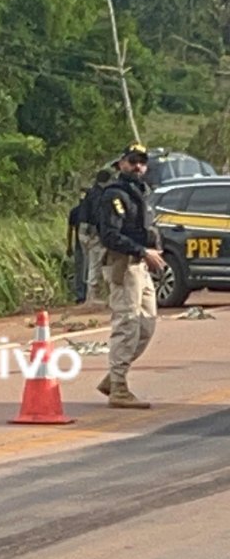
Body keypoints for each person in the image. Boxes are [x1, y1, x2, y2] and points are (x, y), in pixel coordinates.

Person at [95, 143, 165, 409]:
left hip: (141, 265)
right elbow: (110, 235)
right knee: (127, 324)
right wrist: (142, 250)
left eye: (142, 162)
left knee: (147, 325)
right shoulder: (115, 195)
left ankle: (113, 379)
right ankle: (119, 388)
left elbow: (148, 227)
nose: (138, 166)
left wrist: (154, 250)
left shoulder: (141, 193)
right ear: (121, 164)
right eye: (132, 161)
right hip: (124, 264)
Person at [77, 169, 115, 307]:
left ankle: (93, 296)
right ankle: (93, 297)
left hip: (86, 232)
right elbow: (98, 216)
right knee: (96, 264)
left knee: (94, 264)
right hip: (93, 234)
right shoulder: (99, 195)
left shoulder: (91, 193)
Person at [68, 193, 87, 304]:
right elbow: (70, 229)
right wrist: (69, 245)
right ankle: (81, 295)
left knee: (86, 269)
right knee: (80, 269)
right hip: (80, 244)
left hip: (88, 244)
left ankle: (85, 294)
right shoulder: (75, 212)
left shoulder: (90, 210)